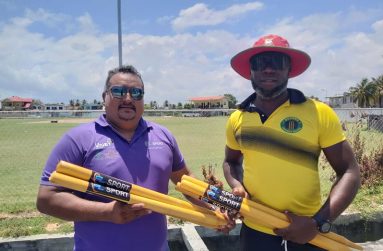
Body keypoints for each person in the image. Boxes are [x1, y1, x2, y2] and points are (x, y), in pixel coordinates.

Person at [36, 65, 228, 251]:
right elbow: (46, 199)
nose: (128, 98)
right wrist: (107, 212)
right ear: (105, 97)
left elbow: (186, 183)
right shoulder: (78, 139)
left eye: (136, 93)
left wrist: (215, 210)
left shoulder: (163, 136)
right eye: (118, 91)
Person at [223, 34, 361, 250]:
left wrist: (318, 223)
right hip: (255, 229)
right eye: (261, 63)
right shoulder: (237, 118)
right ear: (250, 71)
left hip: (307, 232)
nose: (269, 69)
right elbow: (230, 161)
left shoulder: (318, 113)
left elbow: (349, 172)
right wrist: (236, 185)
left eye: (277, 62)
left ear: (289, 69)